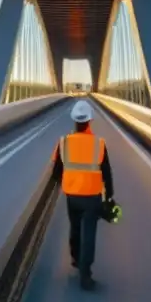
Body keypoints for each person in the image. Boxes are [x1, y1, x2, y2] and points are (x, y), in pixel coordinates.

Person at [51, 100, 115, 290]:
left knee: (75, 228)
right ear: (90, 120)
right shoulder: (99, 144)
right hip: (92, 197)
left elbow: (56, 173)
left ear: (74, 120)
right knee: (89, 235)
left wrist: (66, 182)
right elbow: (107, 173)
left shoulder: (63, 142)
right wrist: (109, 197)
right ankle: (85, 276)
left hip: (72, 196)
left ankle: (75, 259)